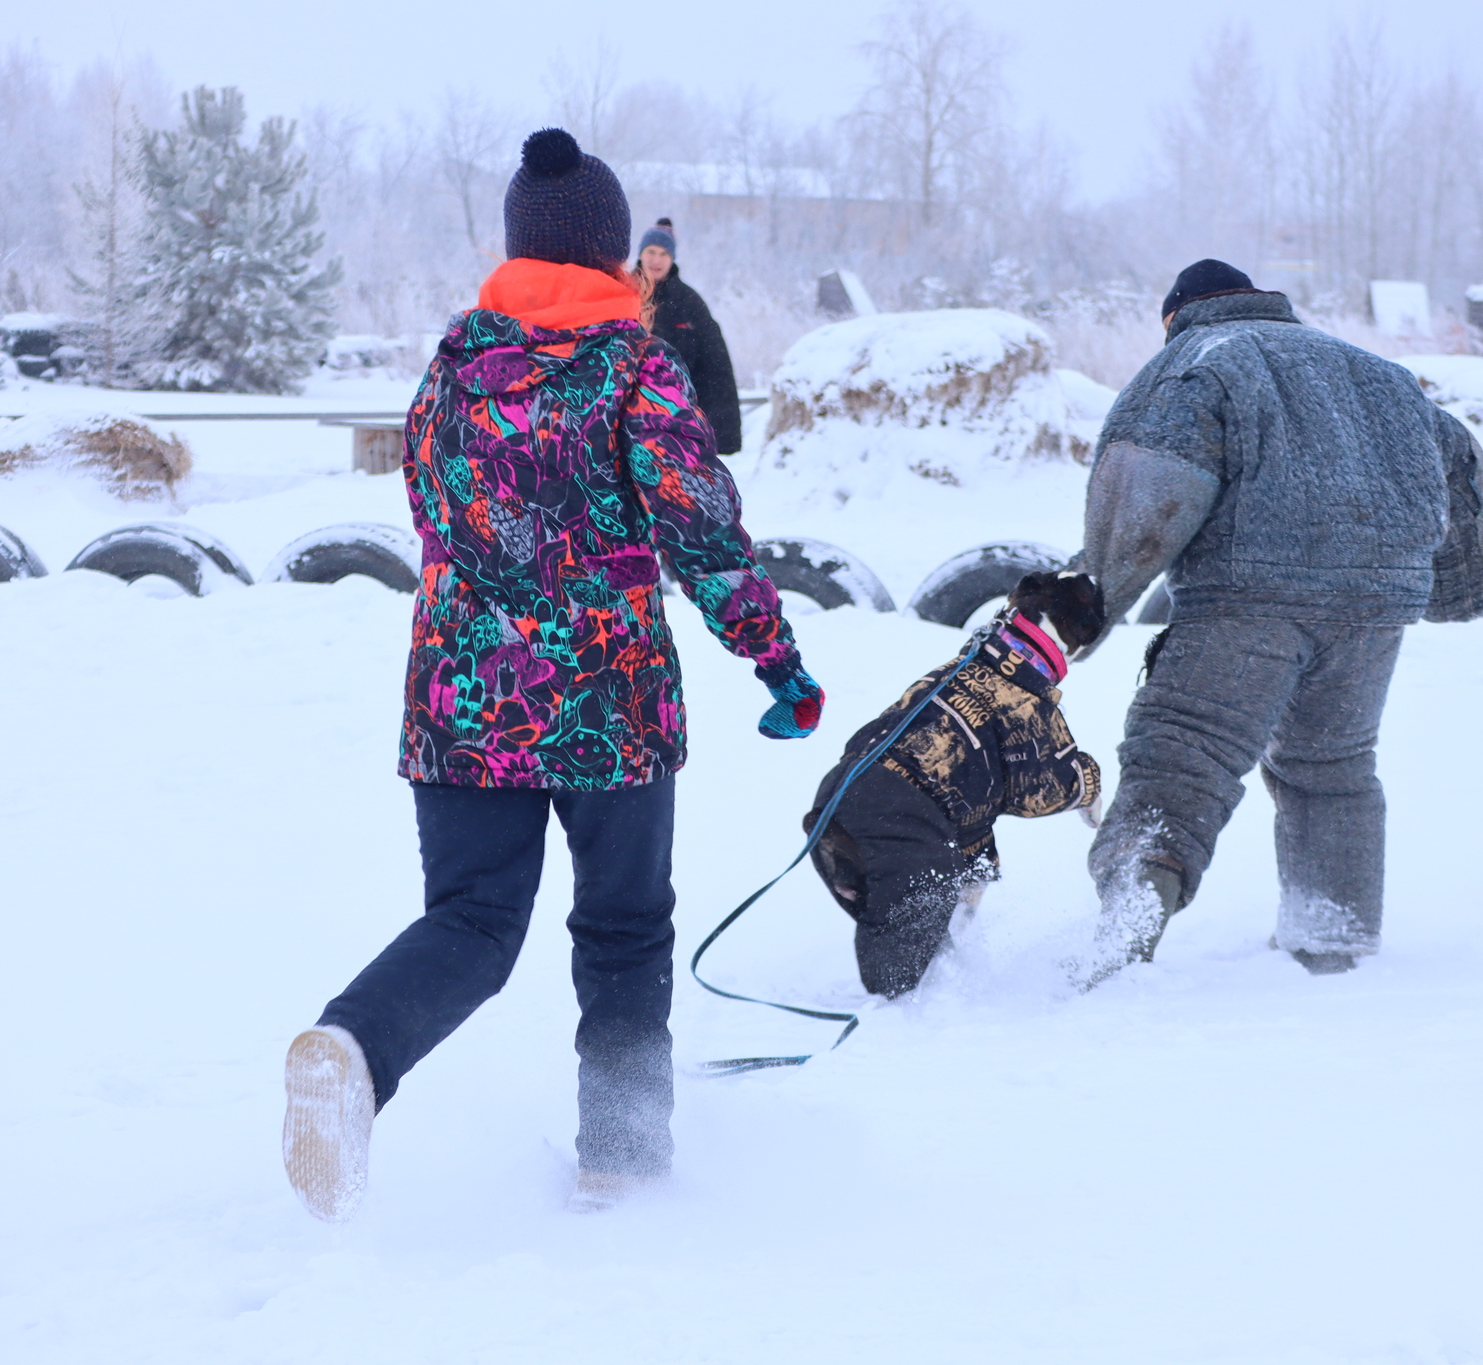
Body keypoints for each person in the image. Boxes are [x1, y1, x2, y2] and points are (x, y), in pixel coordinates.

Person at [280, 128, 826, 1222]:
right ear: (613, 255)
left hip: (460, 696)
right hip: (605, 701)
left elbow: (436, 514)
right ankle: (620, 1163)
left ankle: (352, 1047)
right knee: (623, 927)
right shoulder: (635, 368)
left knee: (473, 922)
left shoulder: (454, 364)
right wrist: (776, 662)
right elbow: (702, 534)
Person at [1077, 258, 1483, 982]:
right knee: (1331, 768)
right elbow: (1465, 468)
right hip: (1374, 607)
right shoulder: (1378, 374)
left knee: (1181, 759)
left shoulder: (1198, 359)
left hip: (1247, 599)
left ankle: (1122, 939)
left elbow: (1148, 489)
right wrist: (1459, 588)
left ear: (1174, 316)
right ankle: (1330, 942)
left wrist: (1089, 603)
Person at [803, 571, 1107, 997]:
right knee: (906, 942)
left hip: (839, 796)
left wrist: (978, 870)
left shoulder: (957, 671)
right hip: (899, 813)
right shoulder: (1022, 701)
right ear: (1079, 635)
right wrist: (1088, 786)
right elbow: (1039, 790)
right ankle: (888, 1024)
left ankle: (922, 994)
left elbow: (974, 792)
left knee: (921, 917)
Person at [635, 218, 743, 455]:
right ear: (640, 253)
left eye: (664, 253)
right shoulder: (623, 292)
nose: (656, 259)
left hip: (675, 417)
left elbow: (715, 364)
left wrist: (724, 432)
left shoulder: (689, 302)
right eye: (651, 251)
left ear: (672, 259)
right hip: (626, 409)